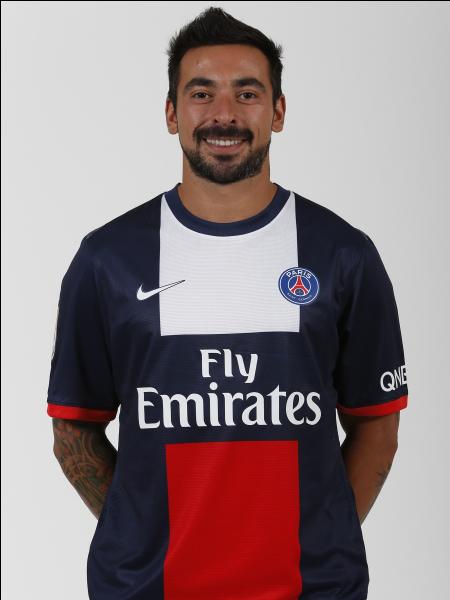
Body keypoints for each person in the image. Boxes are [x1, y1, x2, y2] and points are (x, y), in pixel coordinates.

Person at [46, 7, 409, 600]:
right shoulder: (107, 259)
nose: (224, 114)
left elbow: (378, 425)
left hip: (311, 588)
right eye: (201, 93)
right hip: (147, 590)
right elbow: (73, 431)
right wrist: (143, 534)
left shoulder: (343, 253)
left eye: (247, 93)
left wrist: (318, 538)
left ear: (278, 111)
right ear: (171, 113)